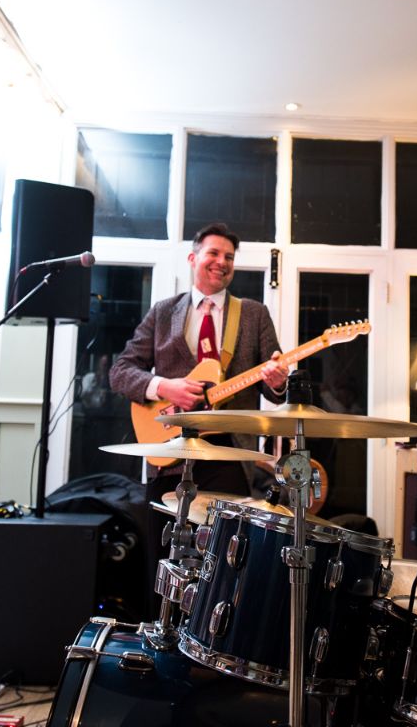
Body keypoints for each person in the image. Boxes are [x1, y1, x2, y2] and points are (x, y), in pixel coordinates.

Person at [110, 223, 288, 612]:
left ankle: (214, 648)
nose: (221, 262)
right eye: (213, 253)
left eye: (229, 257)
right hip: (169, 452)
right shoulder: (162, 313)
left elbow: (275, 386)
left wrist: (277, 381)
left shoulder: (254, 315)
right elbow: (121, 371)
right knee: (163, 557)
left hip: (228, 454)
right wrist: (163, 387)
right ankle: (156, 644)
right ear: (193, 258)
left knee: (224, 560)